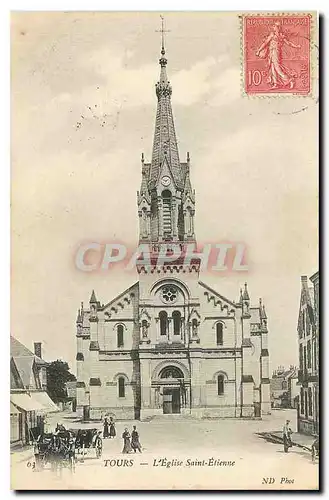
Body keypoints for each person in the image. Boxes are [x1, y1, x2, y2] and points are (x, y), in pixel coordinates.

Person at [256, 21, 301, 90]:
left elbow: (288, 43)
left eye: (274, 26)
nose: (273, 27)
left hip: (276, 52)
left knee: (277, 68)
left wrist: (296, 46)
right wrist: (259, 50)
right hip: (272, 52)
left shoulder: (280, 35)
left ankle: (290, 80)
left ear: (278, 27)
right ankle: (275, 83)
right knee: (273, 67)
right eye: (273, 26)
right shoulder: (272, 34)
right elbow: (265, 43)